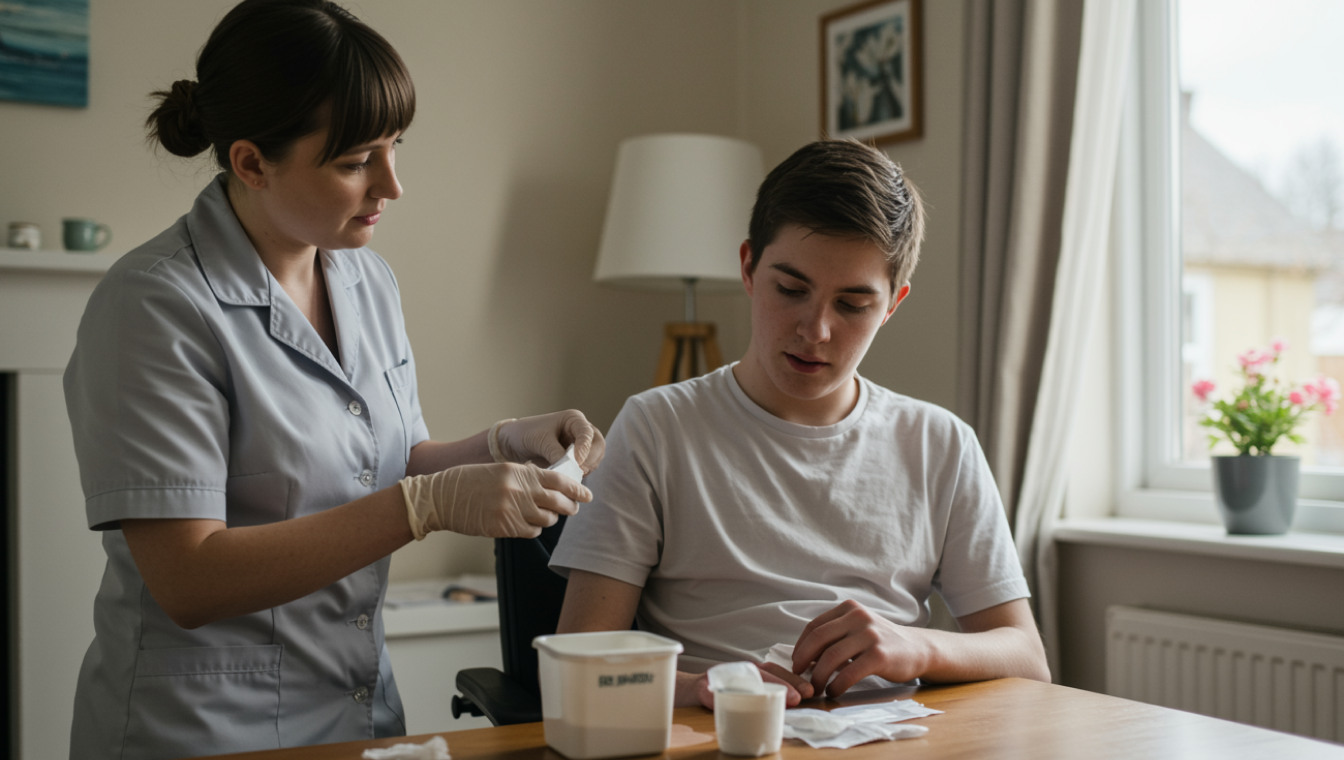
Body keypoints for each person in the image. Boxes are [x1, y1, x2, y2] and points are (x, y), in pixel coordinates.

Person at [62, 2, 603, 758]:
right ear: (251, 162)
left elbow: (390, 460)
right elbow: (187, 579)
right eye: (356, 162)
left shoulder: (365, 279)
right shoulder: (153, 305)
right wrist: (427, 507)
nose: (392, 185)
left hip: (357, 712)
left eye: (393, 150)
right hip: (206, 729)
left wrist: (503, 442)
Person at [550, 139, 1050, 710]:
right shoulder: (658, 428)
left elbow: (1028, 660)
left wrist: (915, 647)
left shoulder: (941, 443)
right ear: (748, 267)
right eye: (791, 290)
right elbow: (580, 662)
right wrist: (699, 689)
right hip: (725, 736)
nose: (815, 330)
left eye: (853, 305)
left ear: (892, 304)